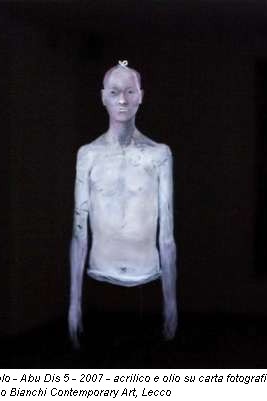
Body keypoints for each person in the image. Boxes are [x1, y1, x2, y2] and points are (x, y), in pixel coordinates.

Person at [68, 61, 177, 348]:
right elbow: (79, 233)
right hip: (99, 281)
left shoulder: (159, 155)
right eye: (115, 92)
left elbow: (166, 235)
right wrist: (74, 302)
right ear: (103, 96)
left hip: (148, 281)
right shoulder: (88, 155)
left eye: (130, 91)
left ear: (141, 96)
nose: (122, 100)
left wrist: (171, 301)